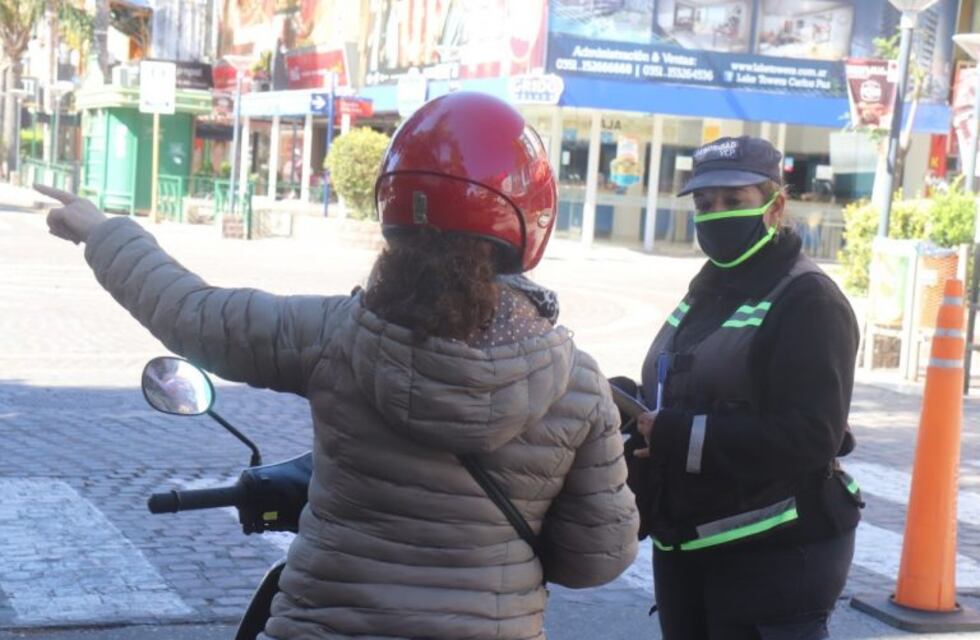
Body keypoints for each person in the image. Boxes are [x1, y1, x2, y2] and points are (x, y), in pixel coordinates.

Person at [37, 91, 639, 640]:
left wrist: (101, 232)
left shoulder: (334, 334)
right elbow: (595, 559)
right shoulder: (578, 384)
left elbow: (193, 313)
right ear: (529, 218)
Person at [619, 135, 862, 640]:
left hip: (774, 554)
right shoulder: (710, 287)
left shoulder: (809, 299)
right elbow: (684, 384)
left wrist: (677, 434)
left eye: (734, 201)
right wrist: (627, 403)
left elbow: (811, 434)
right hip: (689, 544)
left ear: (776, 206)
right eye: (705, 204)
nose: (716, 214)